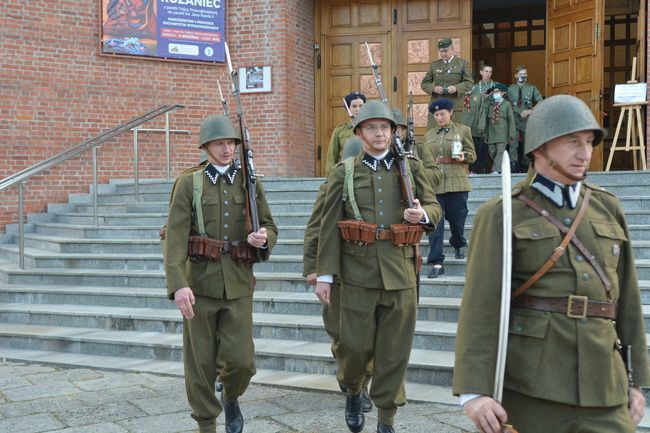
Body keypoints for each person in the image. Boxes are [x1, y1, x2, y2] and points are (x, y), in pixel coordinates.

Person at [453, 95, 649, 433]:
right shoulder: (503, 213)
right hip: (532, 385)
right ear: (540, 147)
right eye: (572, 141)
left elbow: (627, 301)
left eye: (588, 142)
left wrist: (636, 381)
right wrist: (474, 391)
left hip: (605, 382)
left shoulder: (607, 207)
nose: (584, 153)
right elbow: (481, 307)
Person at [315, 101, 441, 433]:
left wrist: (423, 215)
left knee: (395, 352)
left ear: (394, 131)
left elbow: (434, 207)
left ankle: (386, 418)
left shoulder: (410, 168)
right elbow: (328, 225)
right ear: (359, 133)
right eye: (372, 128)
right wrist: (324, 275)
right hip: (357, 274)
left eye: (385, 127)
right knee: (354, 348)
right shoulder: (345, 171)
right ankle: (354, 388)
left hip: (400, 273)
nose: (380, 133)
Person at [164, 115, 278, 433]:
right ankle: (206, 424)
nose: (226, 149)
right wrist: (178, 284)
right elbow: (174, 237)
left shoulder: (249, 182)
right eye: (219, 143)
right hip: (199, 283)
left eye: (230, 143)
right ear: (206, 147)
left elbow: (270, 225)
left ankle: (231, 396)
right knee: (200, 364)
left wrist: (264, 237)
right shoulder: (190, 183)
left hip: (239, 282)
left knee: (242, 362)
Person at [303, 136, 374, 413]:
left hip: (365, 272)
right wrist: (313, 268)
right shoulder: (330, 186)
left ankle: (361, 386)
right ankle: (348, 371)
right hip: (336, 272)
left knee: (365, 335)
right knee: (340, 333)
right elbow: (316, 228)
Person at [423, 98, 476, 278]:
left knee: (457, 220)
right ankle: (437, 262)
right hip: (435, 184)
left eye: (442, 114)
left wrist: (464, 156)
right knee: (435, 225)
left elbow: (473, 155)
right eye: (436, 115)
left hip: (457, 182)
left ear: (451, 113)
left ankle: (458, 242)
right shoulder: (428, 135)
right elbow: (424, 160)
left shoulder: (462, 130)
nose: (439, 117)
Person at [420, 38, 473, 127]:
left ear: (452, 49)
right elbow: (424, 83)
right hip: (437, 106)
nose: (443, 54)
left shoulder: (462, 64)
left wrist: (456, 88)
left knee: (455, 134)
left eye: (445, 51)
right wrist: (434, 88)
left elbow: (469, 83)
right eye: (441, 51)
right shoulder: (434, 65)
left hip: (454, 107)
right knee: (434, 134)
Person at [391, 107, 442, 188]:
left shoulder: (418, 148)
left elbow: (436, 175)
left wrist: (414, 171)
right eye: (389, 130)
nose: (393, 134)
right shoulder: (377, 152)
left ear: (403, 129)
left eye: (396, 130)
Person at [507, 65, 543, 173]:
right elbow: (507, 104)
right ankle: (513, 167)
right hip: (513, 120)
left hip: (527, 121)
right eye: (520, 74)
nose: (522, 76)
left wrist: (530, 111)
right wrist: (519, 111)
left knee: (527, 145)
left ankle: (526, 168)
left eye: (524, 74)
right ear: (516, 75)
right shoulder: (510, 89)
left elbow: (540, 101)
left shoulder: (532, 88)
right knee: (513, 144)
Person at [477, 83, 516, 175]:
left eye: (497, 91)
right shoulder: (490, 104)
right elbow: (485, 119)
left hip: (503, 132)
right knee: (492, 151)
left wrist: (511, 134)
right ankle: (501, 166)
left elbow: (511, 120)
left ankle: (495, 169)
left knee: (500, 151)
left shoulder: (507, 104)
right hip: (492, 132)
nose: (495, 93)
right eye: (494, 92)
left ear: (503, 93)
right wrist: (485, 133)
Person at [463, 64, 495, 175]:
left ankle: (491, 169)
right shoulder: (475, 88)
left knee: (491, 148)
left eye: (490, 72)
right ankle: (475, 170)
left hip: (492, 121)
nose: (488, 74)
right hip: (477, 123)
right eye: (486, 71)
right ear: (481, 72)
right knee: (476, 147)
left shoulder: (495, 86)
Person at [326, 91, 367, 175]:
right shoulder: (340, 131)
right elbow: (332, 157)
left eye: (361, 106)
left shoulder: (370, 129)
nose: (358, 109)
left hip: (365, 173)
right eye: (354, 106)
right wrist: (331, 177)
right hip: (345, 173)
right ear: (348, 108)